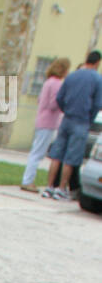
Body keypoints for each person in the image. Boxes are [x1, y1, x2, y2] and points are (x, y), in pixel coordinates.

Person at [41, 51, 102, 200]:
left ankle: (49, 187)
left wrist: (66, 109)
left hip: (66, 119)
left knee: (57, 155)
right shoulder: (97, 79)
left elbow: (60, 97)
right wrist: (90, 118)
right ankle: (61, 189)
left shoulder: (72, 76)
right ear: (97, 62)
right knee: (71, 157)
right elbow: (97, 103)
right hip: (81, 121)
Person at [21, 58, 69, 192]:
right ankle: (28, 180)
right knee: (38, 153)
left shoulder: (48, 82)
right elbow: (53, 103)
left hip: (41, 120)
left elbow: (40, 100)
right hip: (48, 122)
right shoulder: (57, 84)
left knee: (36, 151)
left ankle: (28, 179)